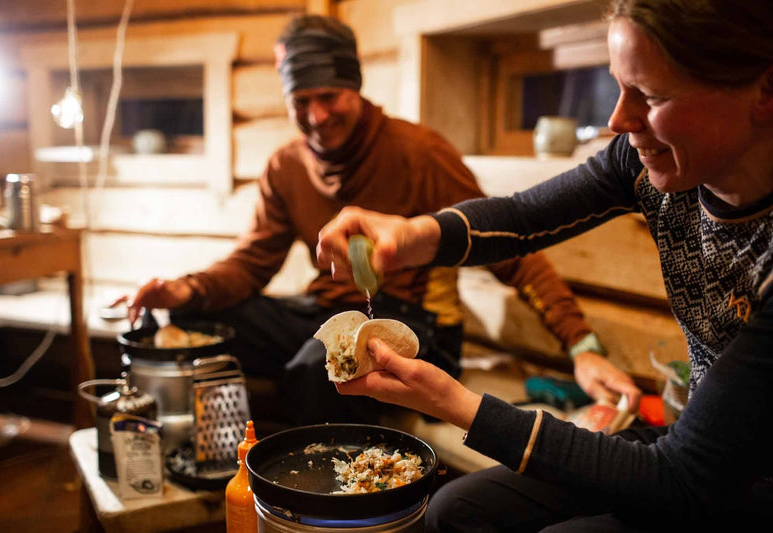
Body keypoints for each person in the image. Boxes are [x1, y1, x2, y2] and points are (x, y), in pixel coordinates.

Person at [316, 0, 773, 529]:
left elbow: (682, 477)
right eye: (619, 87)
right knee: (456, 511)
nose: (618, 120)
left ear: (762, 91)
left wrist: (455, 403)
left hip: (741, 482)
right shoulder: (647, 159)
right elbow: (523, 217)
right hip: (692, 445)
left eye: (651, 95)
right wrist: (411, 235)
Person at [124, 14, 639, 427]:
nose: (317, 115)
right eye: (301, 101)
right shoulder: (286, 166)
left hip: (416, 324)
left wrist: (582, 346)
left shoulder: (419, 152)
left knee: (316, 372)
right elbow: (252, 263)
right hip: (325, 315)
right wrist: (185, 290)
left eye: (329, 96)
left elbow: (511, 248)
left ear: (356, 86)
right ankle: (236, 463)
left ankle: (333, 500)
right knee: (199, 326)